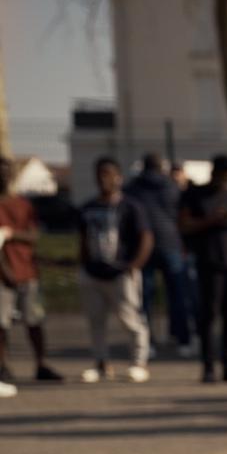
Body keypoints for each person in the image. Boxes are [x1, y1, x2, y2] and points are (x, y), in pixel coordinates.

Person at [77, 157, 154, 384]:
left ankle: (139, 362)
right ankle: (101, 364)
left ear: (118, 177)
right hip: (93, 273)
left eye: (109, 174)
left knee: (130, 319)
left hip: (121, 272)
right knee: (96, 321)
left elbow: (146, 237)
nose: (104, 179)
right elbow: (82, 238)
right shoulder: (88, 207)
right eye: (100, 174)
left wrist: (134, 265)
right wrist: (83, 265)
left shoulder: (130, 206)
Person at [177, 154, 227, 383]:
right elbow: (184, 226)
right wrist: (211, 220)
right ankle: (208, 366)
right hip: (209, 261)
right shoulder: (195, 195)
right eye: (224, 174)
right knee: (209, 315)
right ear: (214, 173)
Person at [0, 156, 62, 392]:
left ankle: (41, 363)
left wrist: (9, 234)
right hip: (3, 275)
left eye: (7, 172)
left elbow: (33, 235)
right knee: (2, 323)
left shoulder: (24, 205)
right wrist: (4, 270)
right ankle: (2, 365)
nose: (4, 176)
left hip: (27, 272)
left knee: (34, 320)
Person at [125, 153, 196, 359]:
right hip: (170, 243)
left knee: (144, 298)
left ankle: (148, 343)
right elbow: (180, 214)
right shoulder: (171, 187)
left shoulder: (133, 189)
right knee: (177, 295)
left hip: (143, 247)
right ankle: (182, 339)